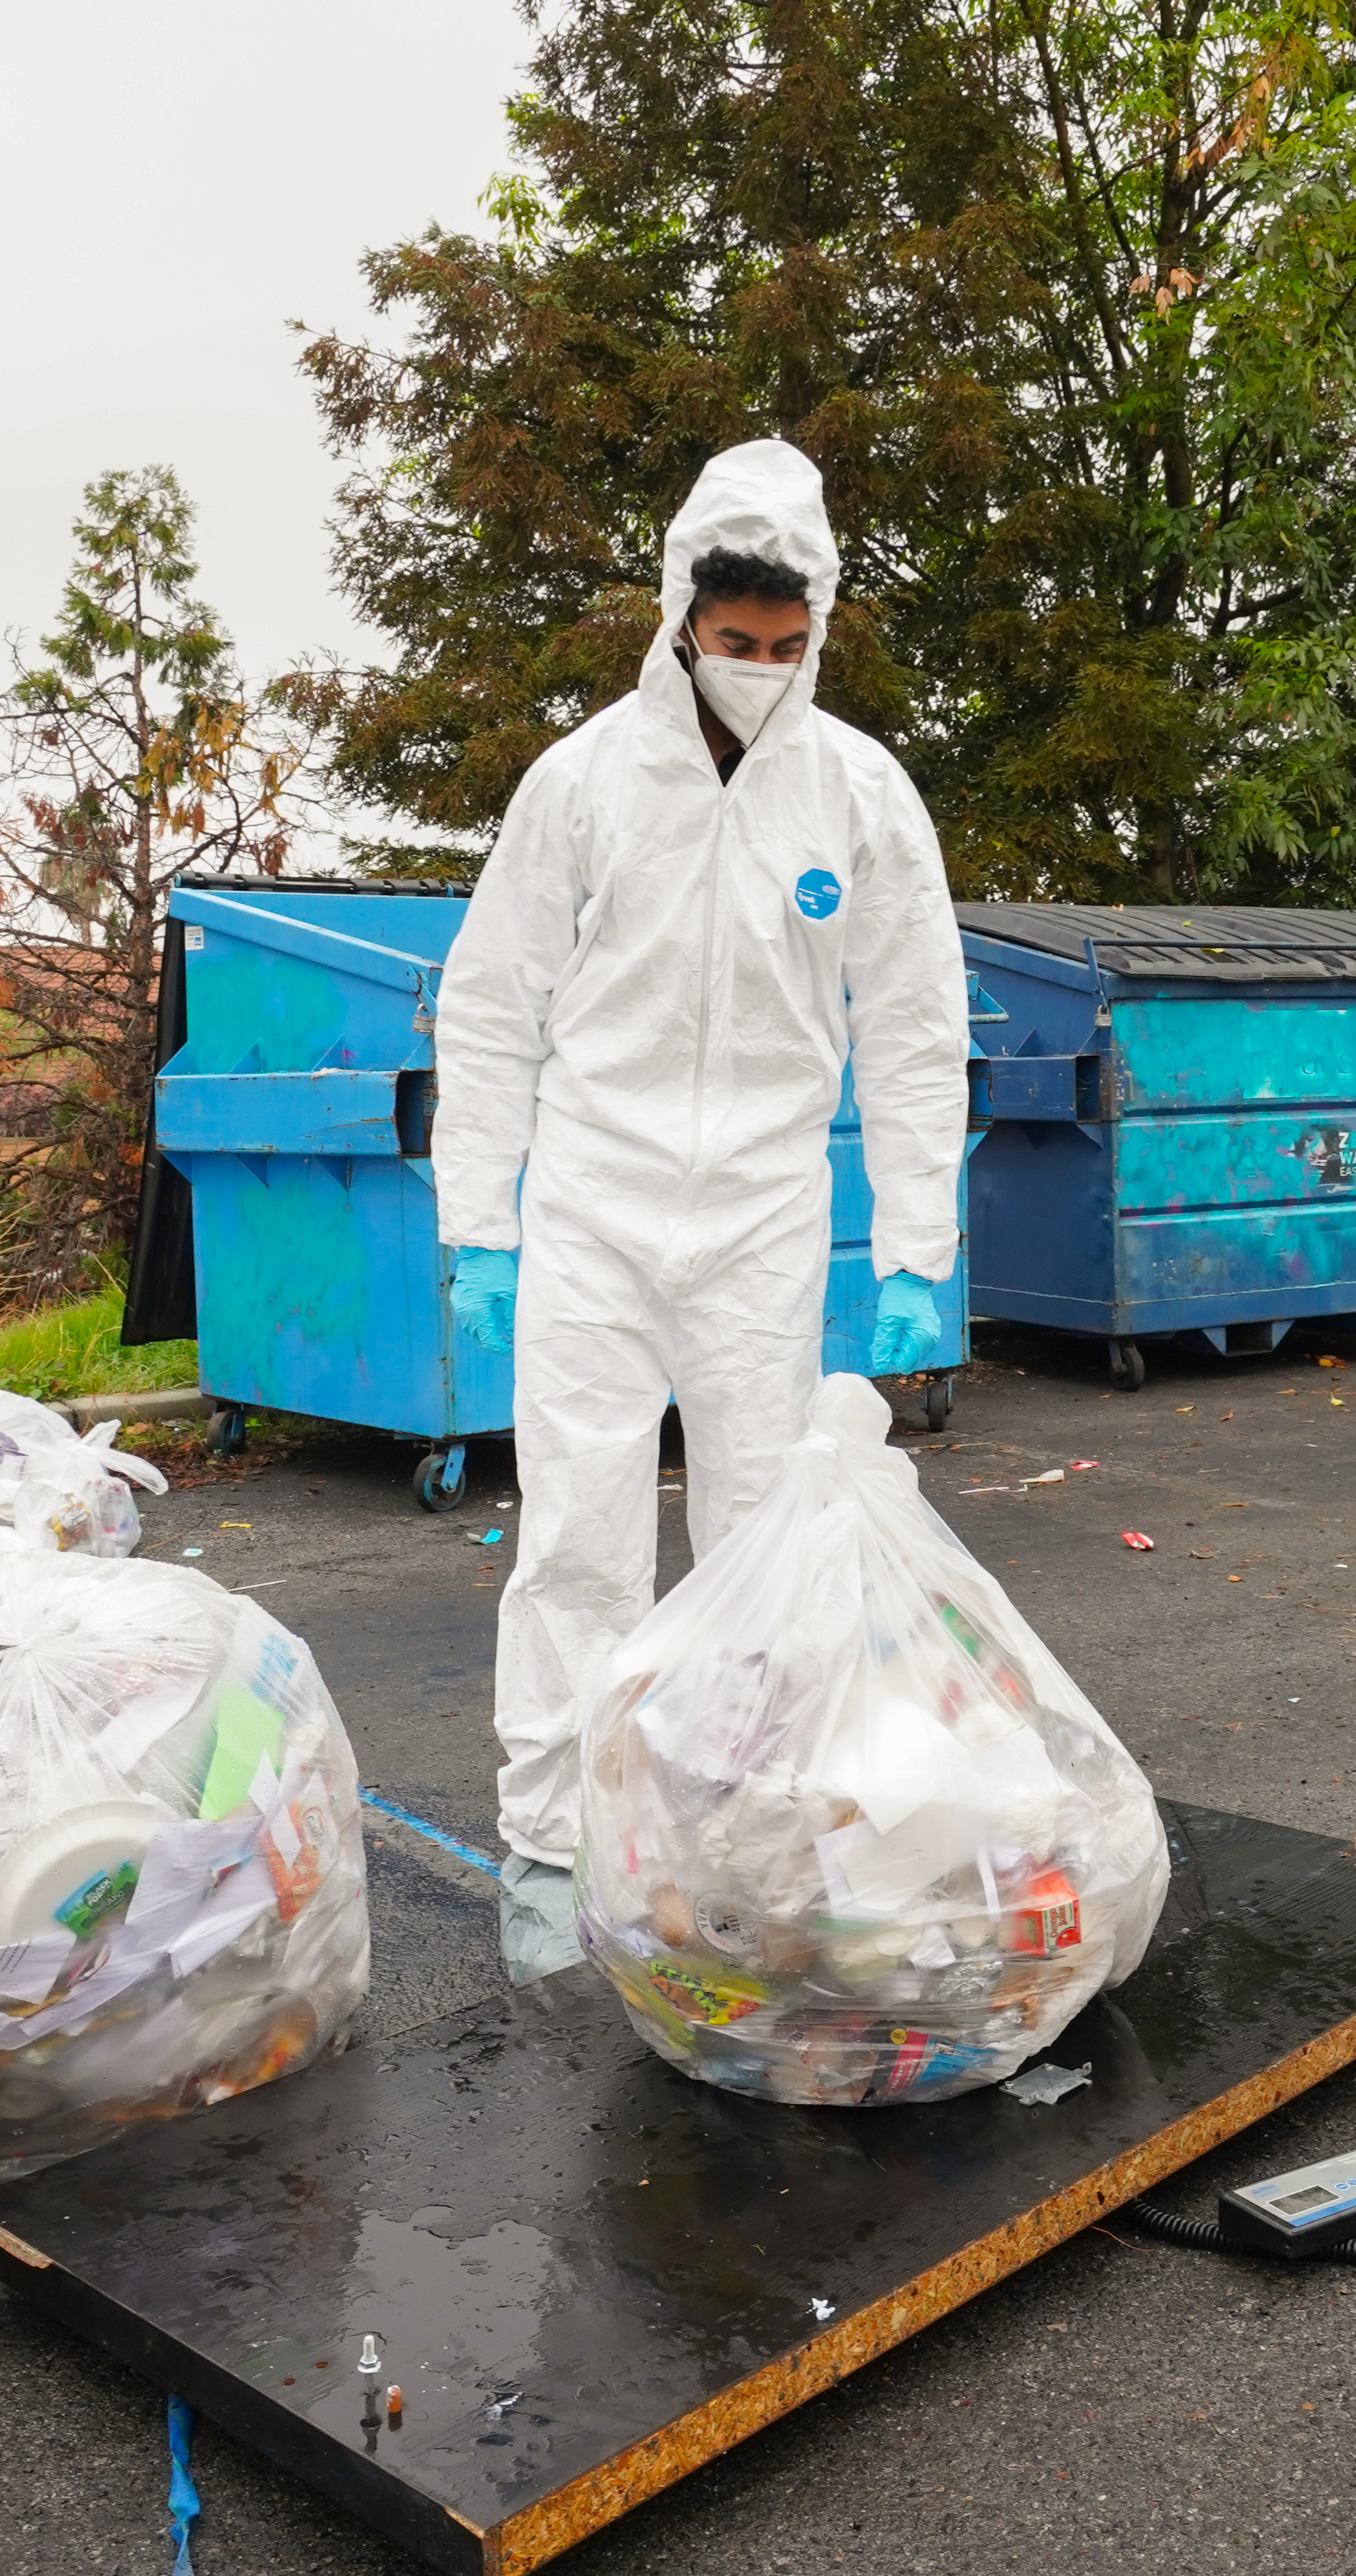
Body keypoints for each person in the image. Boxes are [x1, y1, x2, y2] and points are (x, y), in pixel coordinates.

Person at [432, 440, 970, 1977]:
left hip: (761, 1211)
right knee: (577, 1539)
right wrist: (481, 1222)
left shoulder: (858, 794)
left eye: (784, 649)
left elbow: (918, 1027)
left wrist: (919, 1250)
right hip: (593, 1202)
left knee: (757, 1543)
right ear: (680, 618)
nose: (756, 671)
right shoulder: (585, 780)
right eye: (732, 645)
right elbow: (489, 1010)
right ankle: (550, 1849)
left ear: (820, 632)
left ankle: (737, 1841)